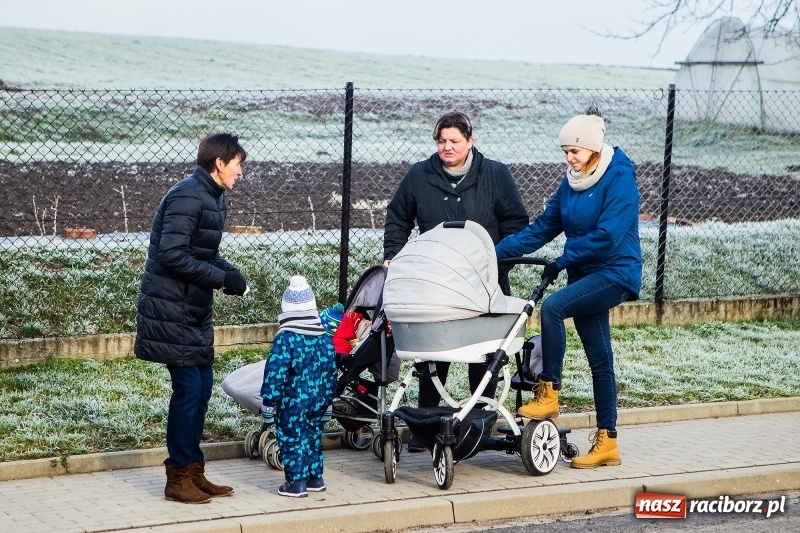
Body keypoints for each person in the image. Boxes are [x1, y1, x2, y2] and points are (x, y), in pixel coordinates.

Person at [495, 113, 642, 469]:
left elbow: (609, 234)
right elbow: (544, 226)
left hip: (615, 271)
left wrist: (564, 258)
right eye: (566, 151)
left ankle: (549, 390)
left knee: (553, 307)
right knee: (600, 358)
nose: (569, 158)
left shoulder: (619, 177)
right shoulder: (572, 182)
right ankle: (608, 441)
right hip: (585, 274)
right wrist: (494, 252)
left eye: (574, 150)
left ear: (592, 148)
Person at [383, 111, 529, 452]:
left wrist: (497, 259)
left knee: (485, 352)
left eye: (454, 141)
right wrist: (394, 254)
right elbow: (398, 216)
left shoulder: (494, 174)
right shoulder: (420, 175)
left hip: (484, 279)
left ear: (470, 142)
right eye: (441, 141)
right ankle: (425, 426)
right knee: (432, 350)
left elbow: (516, 221)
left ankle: (479, 422)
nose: (447, 147)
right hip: (435, 280)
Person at [134, 132, 248, 503]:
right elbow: (172, 255)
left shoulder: (212, 198)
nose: (241, 172)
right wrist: (219, 278)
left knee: (199, 392)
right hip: (172, 311)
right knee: (187, 392)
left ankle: (194, 472)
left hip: (193, 310)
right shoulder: (187, 195)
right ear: (219, 163)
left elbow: (203, 253)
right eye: (237, 164)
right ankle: (177, 477)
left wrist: (230, 275)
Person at [260, 275, 337, 498]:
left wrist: (269, 402)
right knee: (313, 436)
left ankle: (295, 484)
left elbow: (275, 373)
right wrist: (329, 399)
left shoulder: (286, 338)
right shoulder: (323, 337)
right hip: (319, 400)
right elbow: (331, 371)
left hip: (293, 401)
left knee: (292, 437)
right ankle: (315, 478)